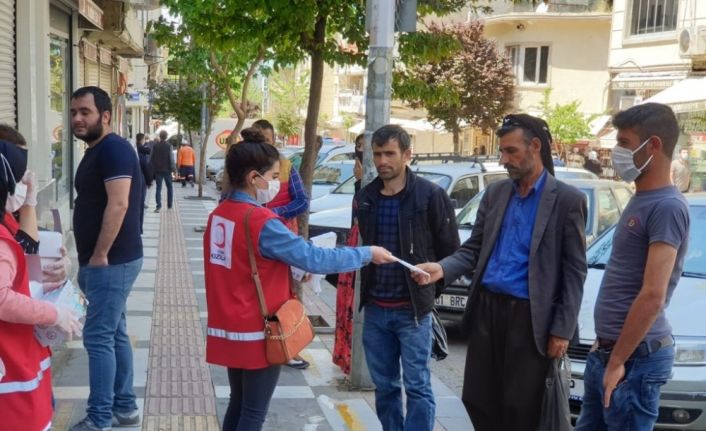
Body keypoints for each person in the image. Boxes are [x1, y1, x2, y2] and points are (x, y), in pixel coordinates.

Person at [203, 128, 394, 431]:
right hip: (259, 330)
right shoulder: (260, 221)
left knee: (239, 405)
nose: (277, 183)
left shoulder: (221, 214)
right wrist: (366, 253)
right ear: (254, 178)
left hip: (228, 326)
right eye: (274, 175)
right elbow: (314, 258)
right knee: (253, 413)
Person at [414, 114, 588, 431]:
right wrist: (441, 268)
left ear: (535, 146)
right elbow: (474, 249)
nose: (503, 159)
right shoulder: (496, 195)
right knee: (479, 400)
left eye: (510, 151)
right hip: (487, 312)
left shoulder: (567, 200)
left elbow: (575, 271)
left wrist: (562, 329)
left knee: (522, 409)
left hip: (531, 320)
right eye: (502, 151)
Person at [575, 103, 690, 430]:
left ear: (653, 145)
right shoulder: (641, 198)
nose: (616, 152)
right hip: (611, 354)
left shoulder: (667, 206)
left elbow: (653, 295)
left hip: (633, 360)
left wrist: (618, 360)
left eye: (624, 142)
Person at [356, 125, 460, 431]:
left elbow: (452, 254)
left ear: (407, 155)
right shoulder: (365, 198)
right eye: (377, 154)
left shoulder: (430, 195)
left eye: (390, 153)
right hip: (375, 309)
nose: (382, 161)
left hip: (412, 312)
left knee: (417, 386)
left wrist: (433, 283)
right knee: (385, 386)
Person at [69, 86, 144, 431]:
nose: (78, 119)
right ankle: (124, 407)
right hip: (105, 262)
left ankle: (99, 418)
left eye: (85, 112)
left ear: (106, 115)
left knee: (98, 338)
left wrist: (99, 255)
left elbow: (119, 204)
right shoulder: (97, 150)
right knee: (113, 334)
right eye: (73, 113)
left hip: (110, 262)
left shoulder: (113, 149)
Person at [0, 151, 82, 431]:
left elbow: (27, 255)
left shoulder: (8, 221)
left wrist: (44, 283)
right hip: (12, 369)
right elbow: (2, 297)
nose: (26, 184)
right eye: (22, 179)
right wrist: (53, 313)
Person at [252, 119, 310, 369]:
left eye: (268, 138)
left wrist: (275, 214)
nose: (266, 143)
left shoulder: (286, 167)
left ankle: (289, 346)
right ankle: (260, 342)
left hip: (285, 238)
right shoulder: (246, 171)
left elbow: (302, 201)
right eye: (259, 139)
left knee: (288, 294)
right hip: (255, 240)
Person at [332, 133, 365, 374]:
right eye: (358, 150)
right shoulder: (358, 185)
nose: (358, 160)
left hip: (362, 250)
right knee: (346, 302)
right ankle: (346, 355)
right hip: (354, 246)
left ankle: (355, 356)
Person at [150, 130, 175, 213]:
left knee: (158, 188)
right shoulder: (169, 146)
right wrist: (173, 168)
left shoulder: (155, 146)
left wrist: (153, 167)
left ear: (160, 137)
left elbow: (151, 157)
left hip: (158, 170)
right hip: (167, 170)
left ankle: (158, 206)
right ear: (166, 137)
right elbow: (171, 158)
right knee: (170, 187)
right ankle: (169, 205)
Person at [136, 133, 153, 233]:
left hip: (132, 179)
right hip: (140, 179)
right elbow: (145, 166)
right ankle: (139, 229)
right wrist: (149, 181)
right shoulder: (142, 151)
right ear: (142, 139)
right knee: (140, 204)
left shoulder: (133, 149)